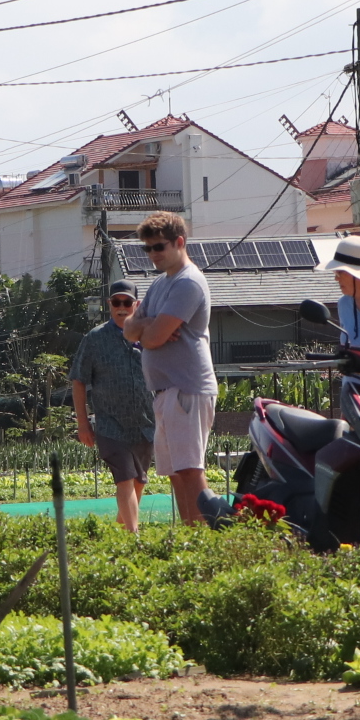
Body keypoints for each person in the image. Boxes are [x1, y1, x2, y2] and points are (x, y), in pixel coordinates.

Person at [124, 210, 216, 525]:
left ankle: (206, 539)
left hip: (186, 387)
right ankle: (192, 536)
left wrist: (145, 327)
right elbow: (129, 331)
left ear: (179, 242)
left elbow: (151, 339)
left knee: (190, 469)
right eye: (147, 249)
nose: (153, 255)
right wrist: (146, 324)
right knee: (175, 473)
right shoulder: (161, 284)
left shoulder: (188, 282)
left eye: (158, 247)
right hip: (165, 391)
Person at [69, 282, 153, 532]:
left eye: (127, 302)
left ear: (136, 305)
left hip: (146, 424)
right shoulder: (95, 339)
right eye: (116, 302)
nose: (121, 307)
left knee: (139, 481)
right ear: (109, 305)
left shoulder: (148, 335)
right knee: (125, 478)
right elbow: (78, 380)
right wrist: (83, 424)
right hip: (110, 425)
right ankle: (132, 535)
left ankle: (121, 527)